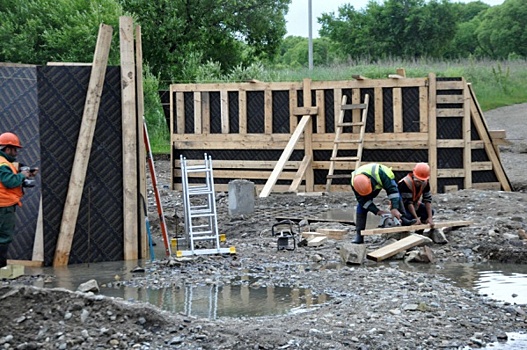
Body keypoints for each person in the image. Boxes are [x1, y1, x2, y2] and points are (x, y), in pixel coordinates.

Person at [0, 132, 38, 268]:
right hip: (3, 205)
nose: (16, 153)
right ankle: (1, 270)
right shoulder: (3, 164)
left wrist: (24, 173)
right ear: (8, 148)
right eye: (14, 149)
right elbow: (9, 181)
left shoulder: (4, 163)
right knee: (3, 237)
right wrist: (22, 176)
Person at [350, 163, 405, 244]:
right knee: (361, 207)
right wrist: (377, 211)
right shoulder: (354, 184)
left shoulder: (381, 174)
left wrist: (394, 208)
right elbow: (363, 201)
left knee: (397, 197)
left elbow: (392, 192)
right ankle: (359, 235)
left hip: (383, 177)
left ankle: (404, 220)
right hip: (367, 188)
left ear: (370, 181)